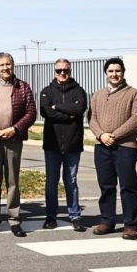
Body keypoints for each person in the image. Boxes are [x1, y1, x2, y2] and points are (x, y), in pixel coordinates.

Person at [0, 52, 36, 237]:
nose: (5, 68)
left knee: (12, 182)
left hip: (13, 139)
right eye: (2, 65)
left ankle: (14, 220)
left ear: (13, 65)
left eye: (8, 64)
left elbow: (31, 112)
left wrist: (15, 128)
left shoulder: (23, 87)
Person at [89, 57, 137, 240]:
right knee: (106, 186)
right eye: (111, 71)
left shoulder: (134, 94)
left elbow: (136, 119)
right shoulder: (97, 95)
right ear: (106, 73)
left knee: (128, 187)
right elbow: (92, 119)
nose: (114, 74)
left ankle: (130, 225)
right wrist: (101, 135)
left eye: (117, 71)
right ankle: (107, 221)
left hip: (125, 147)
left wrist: (113, 135)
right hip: (102, 146)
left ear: (123, 72)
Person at [40, 58, 88, 232]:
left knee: (71, 181)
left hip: (72, 145)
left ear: (70, 71)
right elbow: (46, 112)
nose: (62, 73)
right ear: (54, 71)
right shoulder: (46, 91)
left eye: (65, 70)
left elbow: (79, 109)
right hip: (52, 145)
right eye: (59, 70)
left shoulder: (79, 91)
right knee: (51, 182)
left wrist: (57, 106)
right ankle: (51, 216)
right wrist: (68, 116)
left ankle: (75, 216)